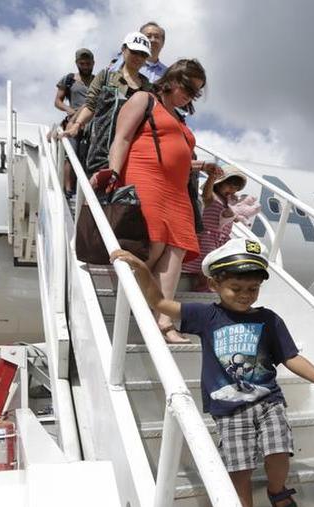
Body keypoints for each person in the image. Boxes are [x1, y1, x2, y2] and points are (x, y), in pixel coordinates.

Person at [112, 239, 314, 507]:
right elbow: (159, 302)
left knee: (279, 449)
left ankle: (277, 490)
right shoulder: (205, 316)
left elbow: (290, 357)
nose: (245, 295)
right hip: (228, 408)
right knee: (239, 468)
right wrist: (142, 268)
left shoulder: (268, 319)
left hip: (267, 399)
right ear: (214, 284)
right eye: (236, 288)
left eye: (252, 289)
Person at [91, 58, 219, 343]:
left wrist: (202, 167)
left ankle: (165, 322)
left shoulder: (180, 119)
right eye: (187, 87)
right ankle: (137, 309)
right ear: (172, 79)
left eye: (195, 92)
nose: (189, 95)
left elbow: (179, 158)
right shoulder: (144, 99)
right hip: (146, 178)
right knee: (153, 246)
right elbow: (122, 138)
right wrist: (112, 172)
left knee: (176, 253)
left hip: (178, 192)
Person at [61, 32, 154, 144]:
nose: (138, 57)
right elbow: (91, 105)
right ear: (123, 49)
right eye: (134, 52)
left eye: (143, 54)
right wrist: (77, 125)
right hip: (103, 147)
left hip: (136, 146)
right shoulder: (105, 77)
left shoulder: (148, 87)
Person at [181, 169, 259, 281]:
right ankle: (203, 285)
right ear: (219, 183)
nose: (232, 189)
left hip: (222, 238)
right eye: (229, 185)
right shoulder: (212, 196)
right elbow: (206, 195)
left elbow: (233, 218)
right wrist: (211, 178)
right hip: (208, 237)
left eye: (236, 187)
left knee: (218, 263)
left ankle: (205, 285)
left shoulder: (230, 201)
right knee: (208, 264)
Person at [54, 48, 95, 194]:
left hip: (92, 122)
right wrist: (68, 109)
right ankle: (68, 189)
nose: (85, 66)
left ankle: (86, 190)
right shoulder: (70, 79)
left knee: (90, 155)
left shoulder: (97, 81)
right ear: (77, 63)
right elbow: (57, 101)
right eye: (82, 63)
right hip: (73, 120)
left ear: (93, 63)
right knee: (71, 152)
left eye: (88, 63)